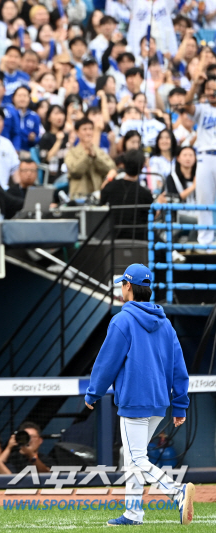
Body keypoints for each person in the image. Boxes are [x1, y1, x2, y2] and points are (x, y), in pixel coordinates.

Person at [84, 263, 193, 526]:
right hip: (159, 403)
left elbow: (106, 362)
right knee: (133, 456)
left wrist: (92, 393)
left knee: (137, 458)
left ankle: (176, 492)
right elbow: (179, 367)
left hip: (134, 401)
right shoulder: (165, 324)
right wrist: (179, 405)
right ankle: (133, 513)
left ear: (128, 286)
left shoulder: (122, 320)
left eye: (123, 284)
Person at [184, 57, 216, 253]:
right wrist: (196, 82)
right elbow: (186, 104)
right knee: (204, 198)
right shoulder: (202, 109)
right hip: (204, 155)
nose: (213, 92)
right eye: (210, 88)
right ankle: (206, 241)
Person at [100, 149, 154, 240]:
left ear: (123, 165)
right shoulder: (145, 193)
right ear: (141, 168)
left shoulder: (111, 186)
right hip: (139, 238)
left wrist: (109, 177)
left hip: (112, 237)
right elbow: (152, 215)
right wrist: (160, 203)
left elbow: (102, 198)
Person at [65, 117, 116, 199]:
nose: (88, 132)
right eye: (84, 129)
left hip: (98, 194)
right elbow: (74, 171)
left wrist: (95, 157)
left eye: (91, 129)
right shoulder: (71, 152)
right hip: (78, 196)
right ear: (77, 132)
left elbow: (111, 168)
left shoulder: (99, 152)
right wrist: (86, 155)